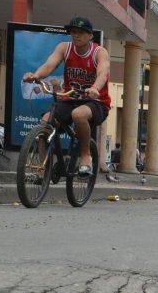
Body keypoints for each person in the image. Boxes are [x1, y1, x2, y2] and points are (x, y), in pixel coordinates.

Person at [22, 17, 111, 177]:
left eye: (81, 33)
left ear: (90, 35)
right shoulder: (64, 48)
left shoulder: (99, 52)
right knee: (45, 123)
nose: (76, 36)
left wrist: (95, 88)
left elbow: (103, 72)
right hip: (70, 99)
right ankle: (43, 169)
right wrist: (35, 76)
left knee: (78, 115)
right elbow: (49, 65)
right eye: (74, 32)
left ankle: (85, 156)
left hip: (96, 102)